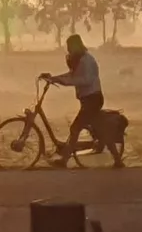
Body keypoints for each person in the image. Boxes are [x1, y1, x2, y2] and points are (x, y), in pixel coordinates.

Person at [40, 33, 103, 166]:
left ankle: (64, 160)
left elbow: (86, 80)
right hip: (87, 99)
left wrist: (66, 82)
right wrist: (54, 78)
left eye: (70, 47)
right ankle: (117, 160)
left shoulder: (87, 60)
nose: (68, 50)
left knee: (75, 129)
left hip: (93, 99)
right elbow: (72, 75)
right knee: (83, 127)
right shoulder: (80, 59)